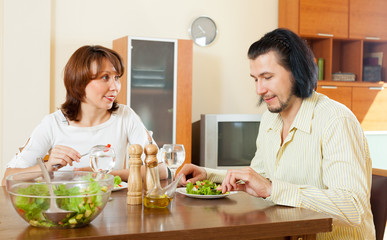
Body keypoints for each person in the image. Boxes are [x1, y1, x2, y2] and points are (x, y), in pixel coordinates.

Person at [179, 28, 375, 239]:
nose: (259, 90)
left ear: (297, 72)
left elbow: (352, 207)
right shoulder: (270, 119)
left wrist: (273, 189)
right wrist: (208, 175)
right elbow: (258, 178)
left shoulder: (336, 120)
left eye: (267, 77)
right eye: (255, 79)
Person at [2, 45, 166, 185]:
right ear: (79, 82)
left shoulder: (125, 116)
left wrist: (107, 177)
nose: (115, 87)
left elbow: (160, 170)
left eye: (117, 78)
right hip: (67, 212)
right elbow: (7, 178)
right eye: (105, 77)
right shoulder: (53, 123)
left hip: (112, 213)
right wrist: (47, 167)